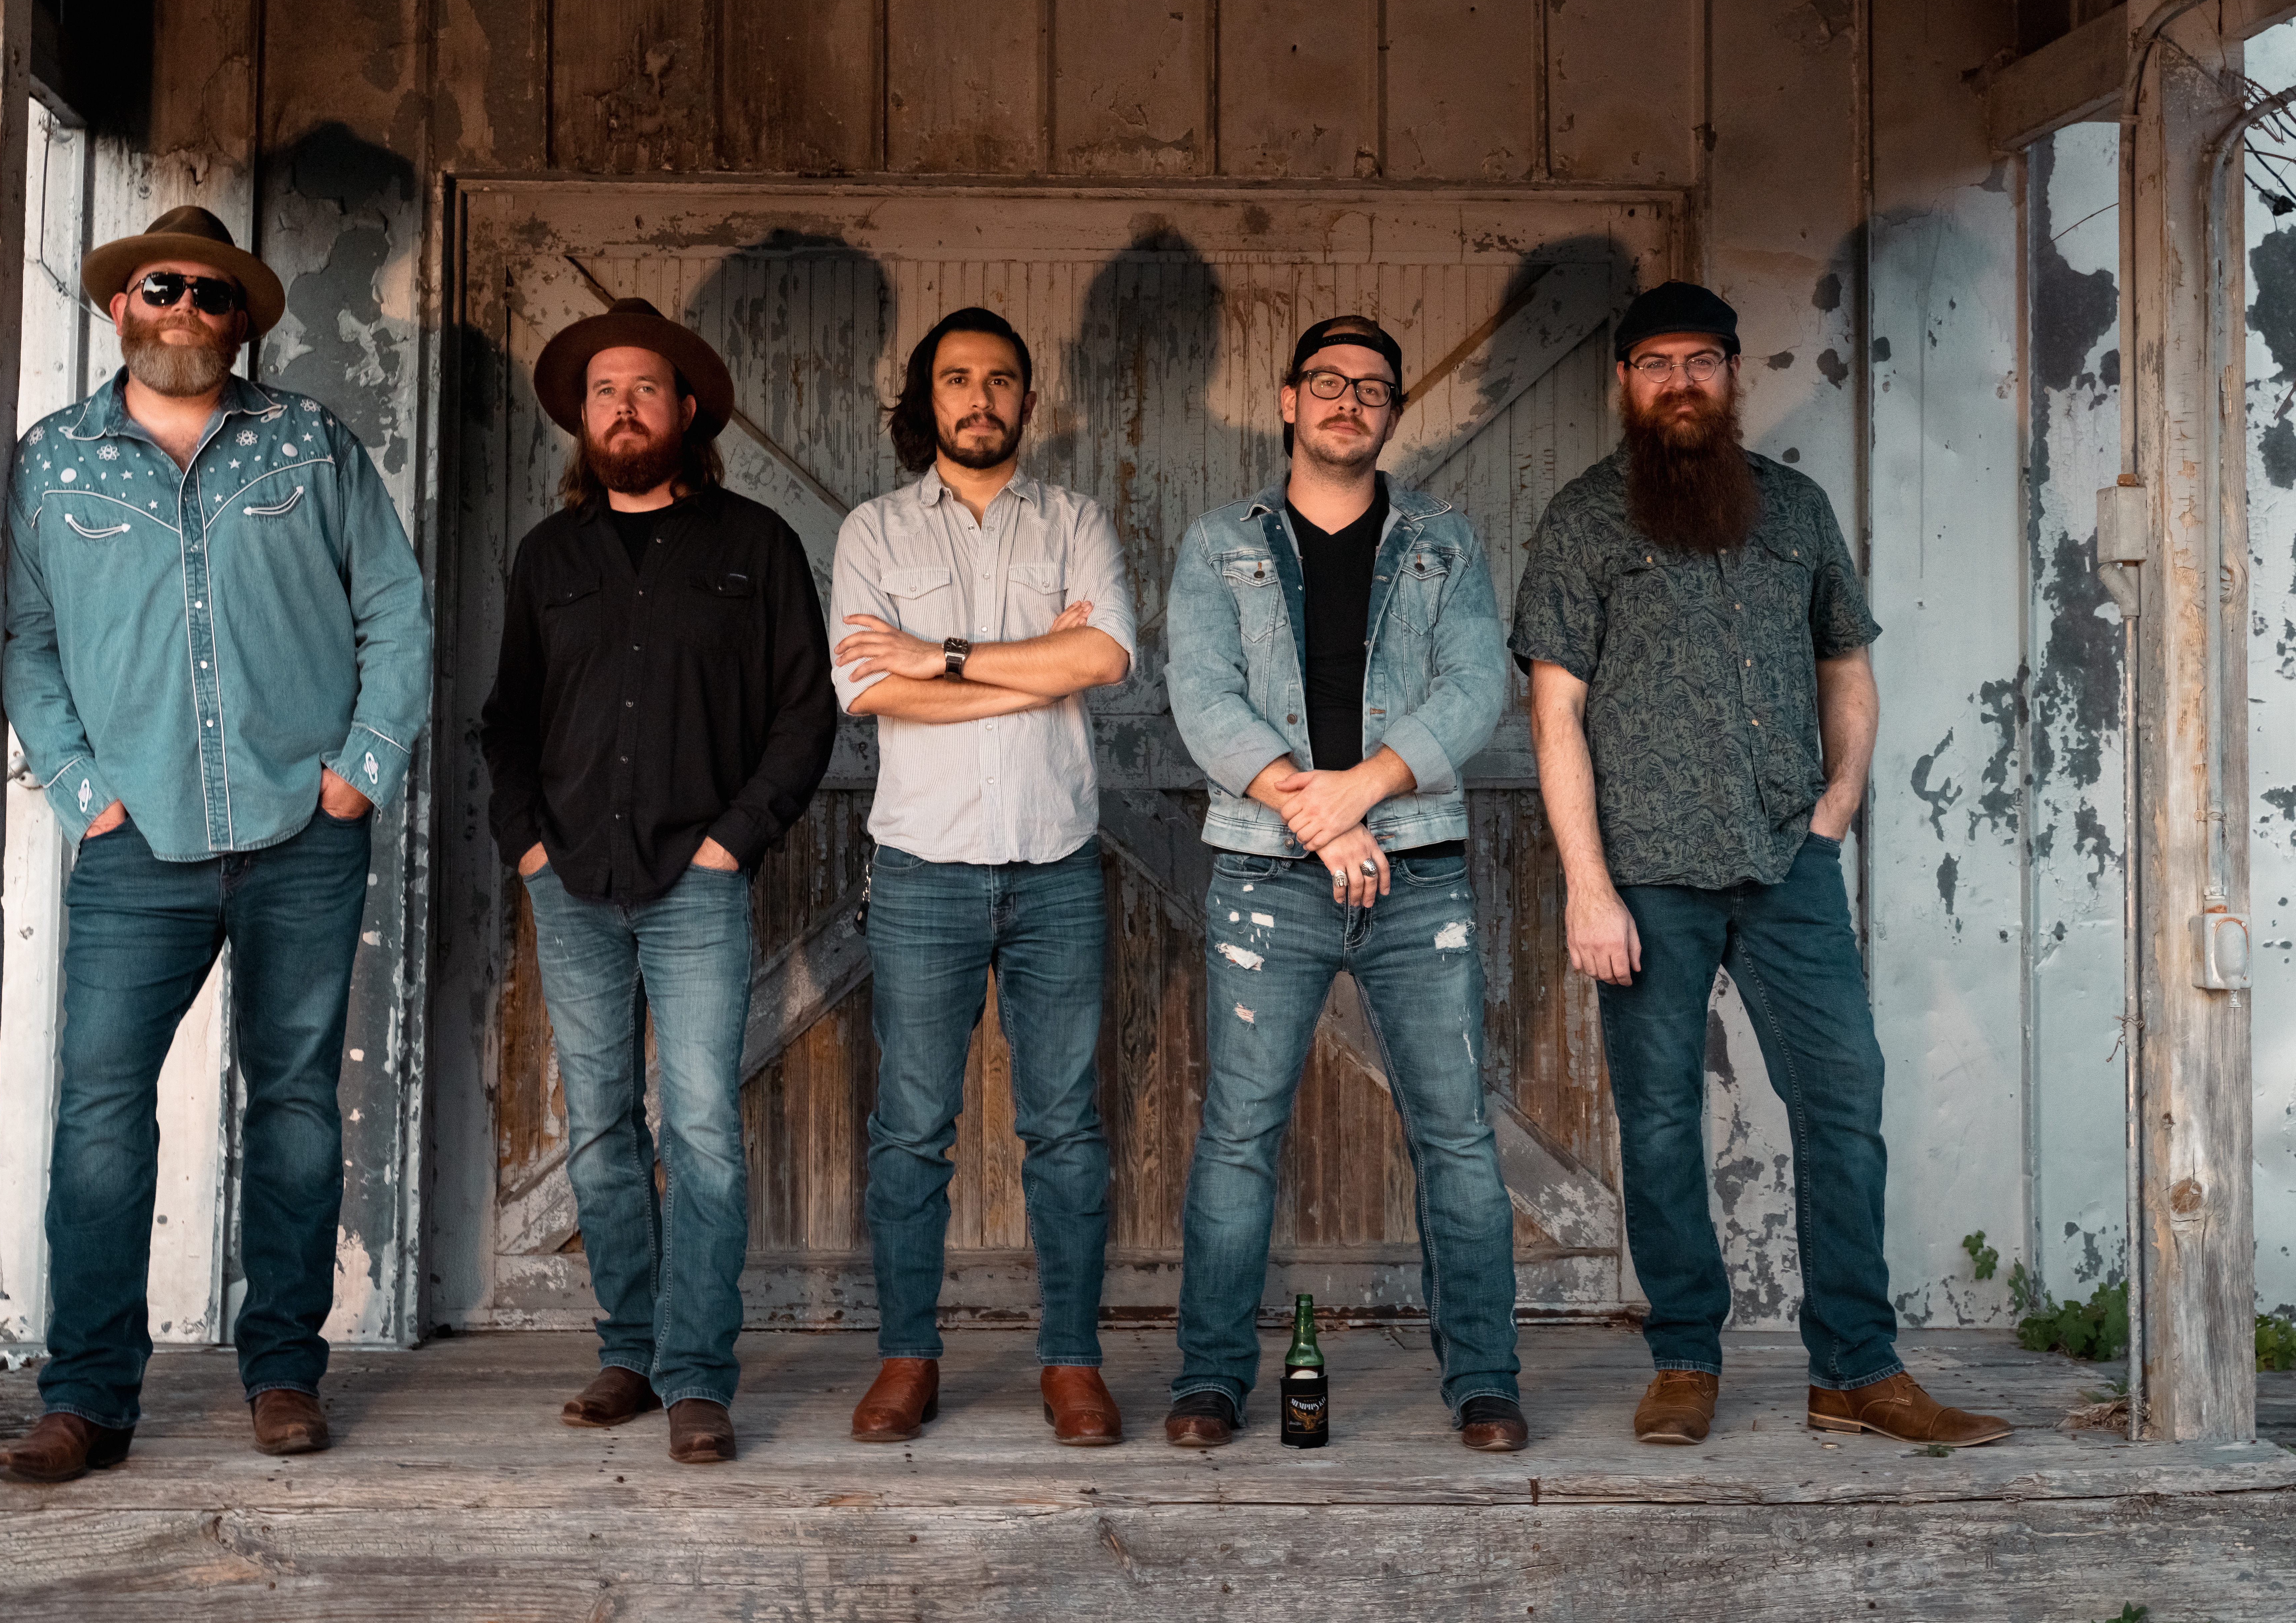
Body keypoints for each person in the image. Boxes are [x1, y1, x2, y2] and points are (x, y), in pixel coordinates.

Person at [1509, 280, 2012, 1449]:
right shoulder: (1587, 521)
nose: (1679, 382)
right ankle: (1685, 1354)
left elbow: (1845, 663)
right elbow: (1554, 714)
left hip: (1788, 864)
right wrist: (1588, 883)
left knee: (1844, 1104)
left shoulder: (1794, 510)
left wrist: (1834, 810)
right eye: (1655, 364)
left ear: (1734, 374)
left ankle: (1857, 1369)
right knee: (1661, 1118)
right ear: (1622, 383)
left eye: (1701, 361)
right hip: (1644, 873)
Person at [0, 207, 432, 1482]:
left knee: (294, 1104)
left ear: (240, 321)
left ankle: (284, 1372)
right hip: (136, 845)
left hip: (304, 830)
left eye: (210, 295)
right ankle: (87, 1399)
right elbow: (26, 639)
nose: (182, 307)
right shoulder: (53, 462)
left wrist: (360, 777)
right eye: (158, 286)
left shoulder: (310, 444)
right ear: (119, 307)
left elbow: (393, 611)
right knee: (100, 1115)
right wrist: (83, 791)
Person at [481, 298, 836, 1464]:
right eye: (602, 391)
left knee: (701, 1131)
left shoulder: (756, 546)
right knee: (598, 1130)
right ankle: (629, 1350)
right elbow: (509, 723)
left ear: (687, 410)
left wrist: (736, 837)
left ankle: (697, 1373)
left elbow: (804, 713)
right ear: (580, 421)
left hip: (698, 878)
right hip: (570, 880)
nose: (623, 407)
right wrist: (527, 842)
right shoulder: (549, 559)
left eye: (645, 388)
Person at [1161, 315, 1525, 1452]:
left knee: (1457, 1135)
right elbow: (1201, 699)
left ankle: (1484, 1383)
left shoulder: (1442, 542)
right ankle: (1211, 1380)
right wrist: (1313, 818)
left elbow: (1476, 690)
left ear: (1392, 412)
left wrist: (1353, 793)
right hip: (1267, 880)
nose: (1348, 401)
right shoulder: (1220, 542)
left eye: (1372, 388)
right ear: (1287, 399)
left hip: (1413, 874)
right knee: (1237, 1136)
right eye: (1327, 382)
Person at [829, 308, 1134, 1447]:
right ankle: (908, 1354)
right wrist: (1032, 676)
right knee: (912, 1127)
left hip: (1055, 865)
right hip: (921, 867)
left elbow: (1103, 656)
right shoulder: (872, 530)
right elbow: (867, 688)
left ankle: (1070, 1361)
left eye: (1001, 379)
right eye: (958, 378)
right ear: (927, 396)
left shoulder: (1075, 521)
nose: (980, 397)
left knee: (1064, 1131)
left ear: (1025, 401)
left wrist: (945, 656)